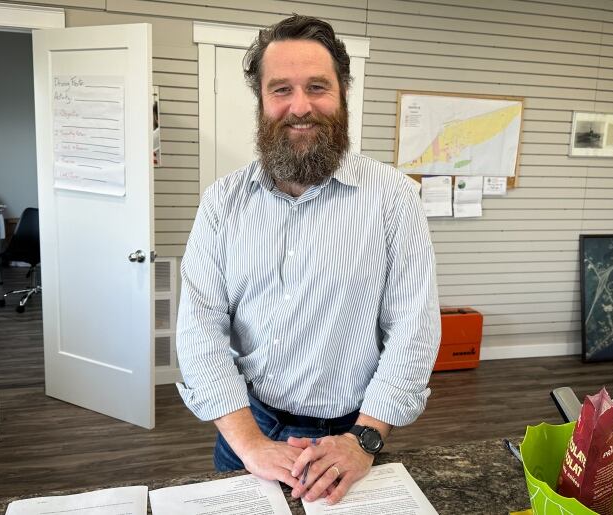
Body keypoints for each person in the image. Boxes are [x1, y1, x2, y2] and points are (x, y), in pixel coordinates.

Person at [176, 14, 441, 505]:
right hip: (249, 428)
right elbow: (199, 330)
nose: (300, 106)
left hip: (354, 433)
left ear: (343, 94)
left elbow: (414, 329)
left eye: (317, 87)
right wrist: (251, 444)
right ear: (261, 100)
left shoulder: (394, 200)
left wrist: (365, 439)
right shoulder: (223, 203)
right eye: (281, 90)